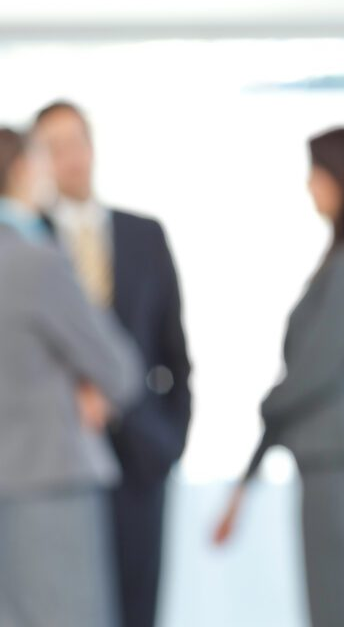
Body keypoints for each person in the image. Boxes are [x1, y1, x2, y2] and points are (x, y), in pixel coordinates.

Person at [214, 127, 344, 627]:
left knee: (343, 609)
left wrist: (263, 407)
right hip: (323, 463)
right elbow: (303, 378)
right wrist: (243, 484)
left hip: (340, 463)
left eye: (317, 173)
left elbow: (312, 374)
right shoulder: (343, 260)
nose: (309, 186)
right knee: (331, 605)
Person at [31, 101, 192, 627]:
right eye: (53, 149)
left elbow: (176, 356)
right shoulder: (25, 247)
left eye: (74, 143)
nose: (69, 159)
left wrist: (170, 439)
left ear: (92, 146)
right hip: (58, 461)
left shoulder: (145, 235)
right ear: (38, 162)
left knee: (139, 607)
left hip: (143, 455)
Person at [0, 127, 142, 627]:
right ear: (21, 171)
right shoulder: (35, 260)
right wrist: (84, 381)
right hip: (50, 479)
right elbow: (119, 369)